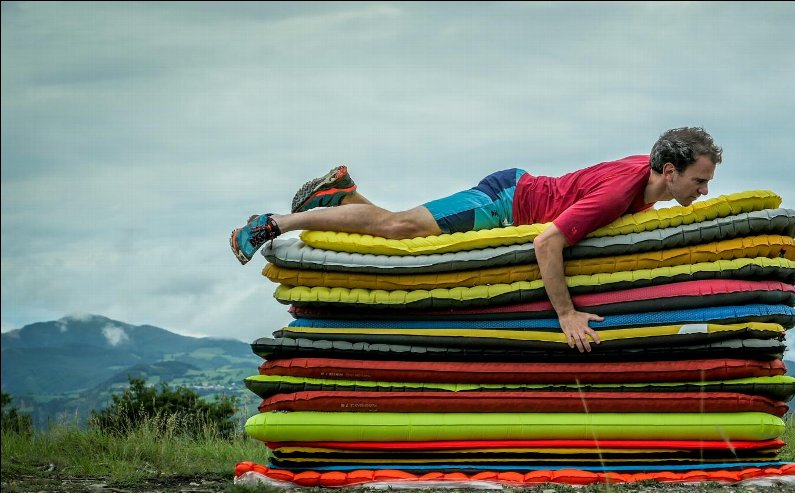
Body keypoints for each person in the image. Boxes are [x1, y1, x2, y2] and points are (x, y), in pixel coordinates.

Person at [230, 126, 722, 353]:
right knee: (400, 230)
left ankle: (341, 195)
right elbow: (547, 243)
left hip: (516, 194)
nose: (705, 191)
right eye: (700, 181)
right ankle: (273, 222)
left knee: (400, 225)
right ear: (670, 170)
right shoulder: (622, 191)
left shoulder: (648, 175)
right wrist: (567, 314)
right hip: (503, 201)